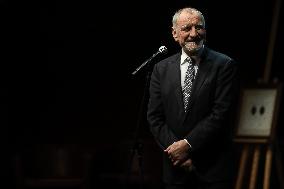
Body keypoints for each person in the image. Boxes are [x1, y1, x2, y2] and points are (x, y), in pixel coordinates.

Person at [147, 7, 239, 189]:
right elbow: (155, 118)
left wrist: (188, 146)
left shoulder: (224, 65)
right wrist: (177, 151)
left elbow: (221, 113)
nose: (193, 34)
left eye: (199, 27)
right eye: (186, 28)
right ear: (174, 33)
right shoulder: (160, 69)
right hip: (176, 170)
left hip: (213, 170)